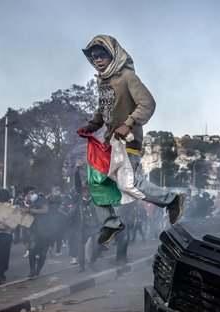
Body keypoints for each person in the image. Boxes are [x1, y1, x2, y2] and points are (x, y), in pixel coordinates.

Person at [78, 34, 184, 246]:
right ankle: (111, 224)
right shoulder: (103, 82)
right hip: (109, 144)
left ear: (113, 55)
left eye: (102, 55)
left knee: (128, 182)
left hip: (128, 142)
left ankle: (172, 200)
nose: (97, 60)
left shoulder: (128, 77)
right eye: (93, 56)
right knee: (96, 182)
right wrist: (93, 124)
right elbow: (104, 109)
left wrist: (129, 122)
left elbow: (147, 103)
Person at [21, 187, 51, 280]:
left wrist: (30, 210)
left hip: (46, 230)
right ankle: (32, 271)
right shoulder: (28, 203)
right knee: (32, 250)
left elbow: (45, 210)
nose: (33, 194)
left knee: (43, 252)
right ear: (27, 195)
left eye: (34, 192)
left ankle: (38, 270)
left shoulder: (43, 200)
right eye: (31, 193)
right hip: (34, 230)